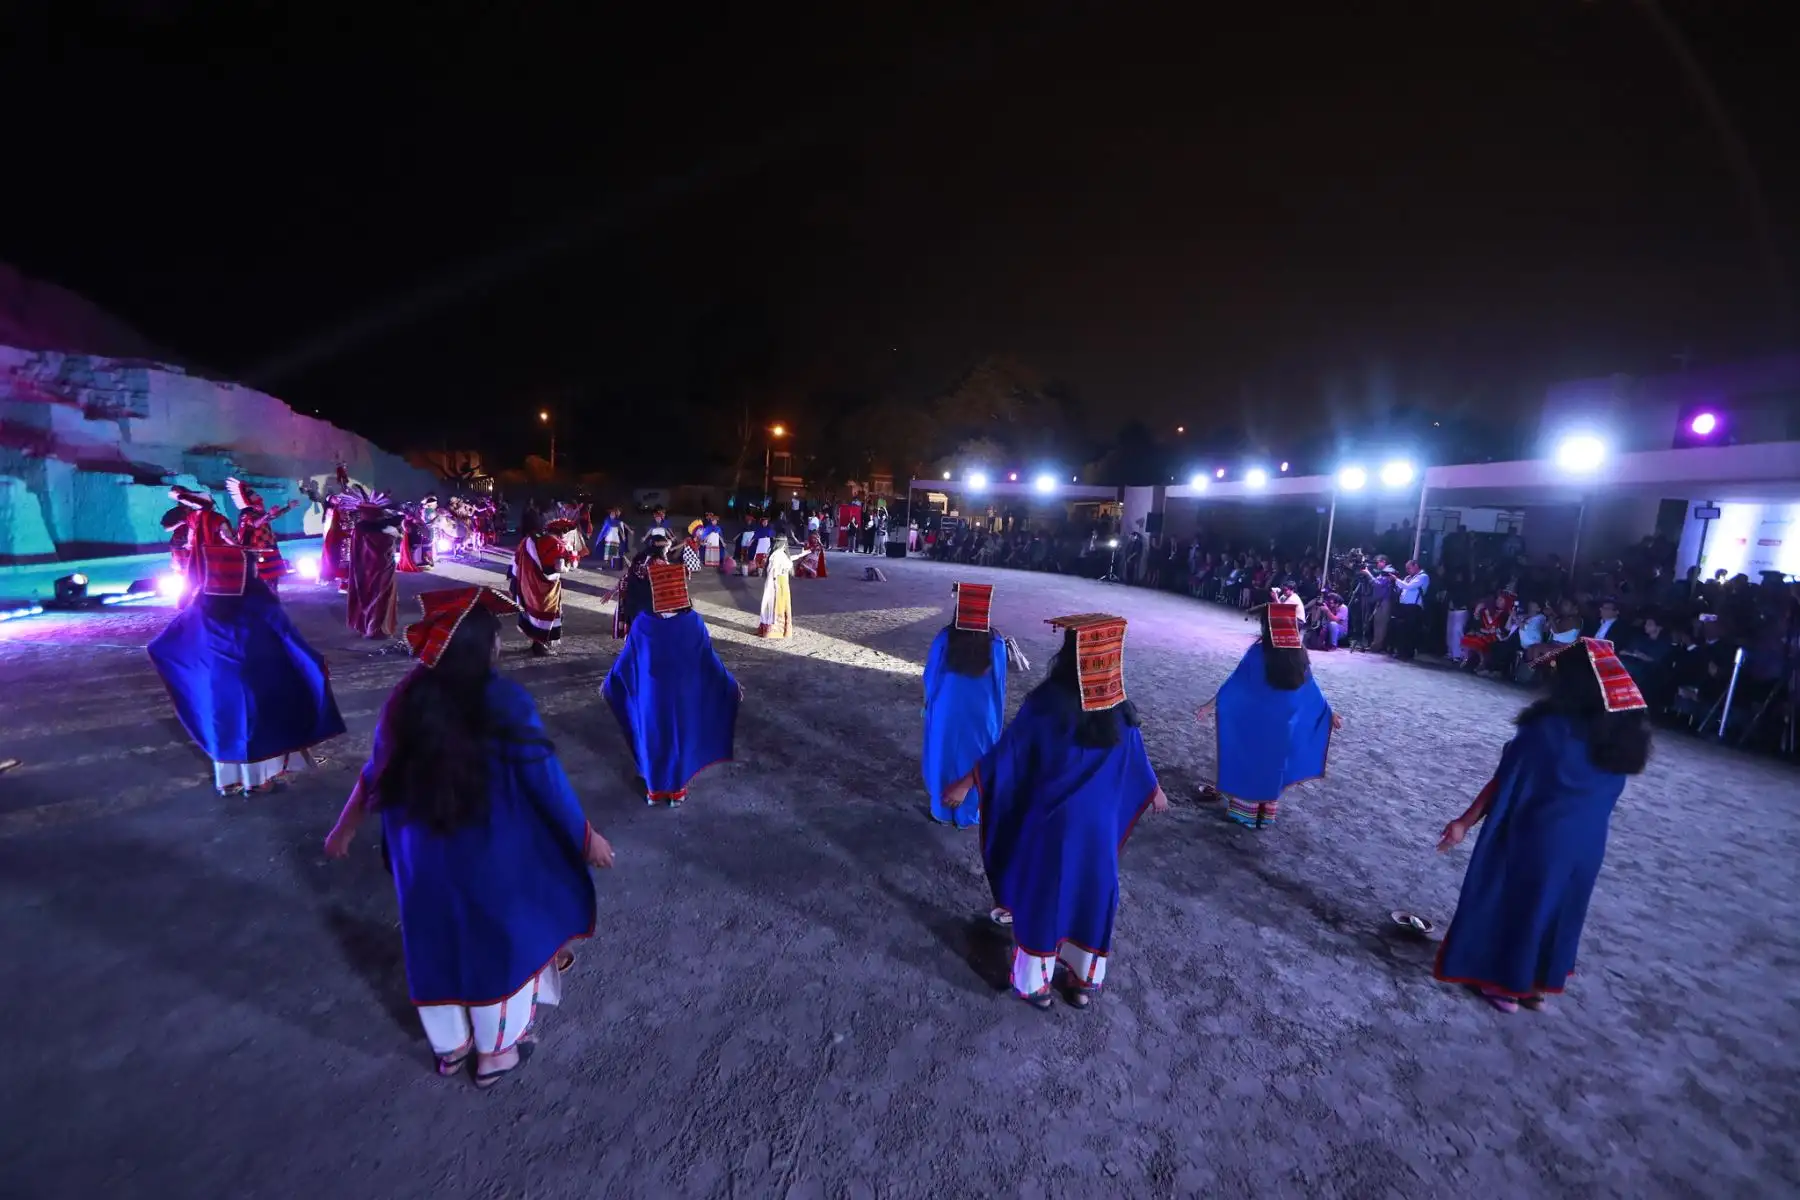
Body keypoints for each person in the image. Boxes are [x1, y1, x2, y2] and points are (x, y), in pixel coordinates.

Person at [323, 586, 613, 1085]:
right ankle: (496, 1052)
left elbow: (376, 771)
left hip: (421, 855)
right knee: (500, 943)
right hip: (490, 853)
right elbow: (545, 780)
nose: (500, 648)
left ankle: (451, 1047)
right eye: (495, 639)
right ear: (482, 649)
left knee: (435, 937)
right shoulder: (504, 700)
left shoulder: (406, 696)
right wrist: (585, 836)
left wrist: (345, 824)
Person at [940, 613, 1167, 1009]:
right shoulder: (1121, 711)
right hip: (1096, 833)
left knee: (1043, 895)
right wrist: (1154, 790)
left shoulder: (1047, 703)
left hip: (1051, 826)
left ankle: (1037, 985)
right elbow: (1138, 762)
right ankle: (1081, 983)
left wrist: (965, 783)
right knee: (1093, 895)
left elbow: (1009, 752)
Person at [1433, 638, 1652, 1013]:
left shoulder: (1550, 728)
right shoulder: (1624, 734)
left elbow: (1508, 780)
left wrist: (1465, 822)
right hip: (1588, 841)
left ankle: (1506, 986)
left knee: (1519, 902)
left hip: (1541, 833)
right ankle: (1536, 984)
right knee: (1560, 906)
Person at [148, 545, 346, 796]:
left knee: (227, 726)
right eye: (252, 565)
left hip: (218, 681)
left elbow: (171, 637)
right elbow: (287, 634)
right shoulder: (259, 599)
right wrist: (312, 659)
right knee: (258, 730)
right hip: (258, 676)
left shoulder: (202, 601)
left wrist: (164, 654)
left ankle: (228, 782)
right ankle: (258, 782)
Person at [601, 563, 741, 807]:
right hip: (683, 697)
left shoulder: (643, 623)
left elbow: (626, 659)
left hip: (651, 698)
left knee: (655, 737)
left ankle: (654, 791)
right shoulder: (693, 623)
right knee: (679, 738)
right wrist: (730, 684)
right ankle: (677, 790)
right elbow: (710, 660)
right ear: (682, 591)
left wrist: (610, 681)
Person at [1195, 605, 1341, 829]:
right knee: (1273, 765)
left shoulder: (1258, 652)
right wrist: (1328, 713)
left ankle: (1245, 813)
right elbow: (1311, 690)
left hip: (1255, 722)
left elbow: (1236, 683)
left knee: (1251, 762)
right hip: (1284, 726)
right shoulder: (1299, 656)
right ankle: (1265, 814)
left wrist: (1209, 705)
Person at [922, 583, 1015, 828]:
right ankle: (968, 814)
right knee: (976, 756)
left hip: (946, 709)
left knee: (942, 754)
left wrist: (929, 702)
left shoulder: (945, 637)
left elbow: (931, 675)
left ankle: (941, 811)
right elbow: (999, 683)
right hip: (982, 713)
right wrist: (995, 714)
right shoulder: (995, 642)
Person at [510, 508, 577, 655]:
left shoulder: (525, 541)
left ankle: (536, 643)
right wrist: (570, 561)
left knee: (533, 615)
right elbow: (558, 568)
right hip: (543, 589)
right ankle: (540, 645)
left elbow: (514, 566)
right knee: (544, 614)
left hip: (527, 586)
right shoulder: (550, 542)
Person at [346, 491, 402, 639]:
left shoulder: (360, 529)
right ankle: (377, 629)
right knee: (381, 597)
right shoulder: (385, 531)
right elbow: (386, 549)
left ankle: (369, 627)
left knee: (369, 596)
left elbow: (358, 550)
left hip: (365, 571)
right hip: (380, 570)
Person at [226, 478, 298, 594]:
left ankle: (274, 598)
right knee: (260, 577)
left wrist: (288, 507)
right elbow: (255, 523)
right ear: (248, 499)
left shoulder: (259, 511)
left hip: (269, 548)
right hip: (257, 550)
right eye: (253, 494)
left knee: (273, 577)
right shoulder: (246, 514)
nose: (257, 495)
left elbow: (271, 517)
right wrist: (268, 514)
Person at [757, 534, 795, 638]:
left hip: (782, 582)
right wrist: (775, 584)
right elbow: (773, 571)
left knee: (782, 604)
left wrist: (802, 554)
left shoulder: (778, 554)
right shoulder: (777, 555)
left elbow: (788, 561)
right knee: (778, 604)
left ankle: (778, 629)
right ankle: (775, 630)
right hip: (779, 583)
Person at [596, 507, 629, 571]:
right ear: (610, 515)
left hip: (615, 539)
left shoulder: (617, 522)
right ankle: (604, 566)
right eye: (611, 514)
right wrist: (601, 537)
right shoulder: (607, 521)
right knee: (607, 554)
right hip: (608, 539)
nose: (612, 515)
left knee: (615, 553)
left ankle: (615, 566)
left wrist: (623, 537)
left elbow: (621, 531)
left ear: (615, 516)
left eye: (614, 514)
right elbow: (603, 530)